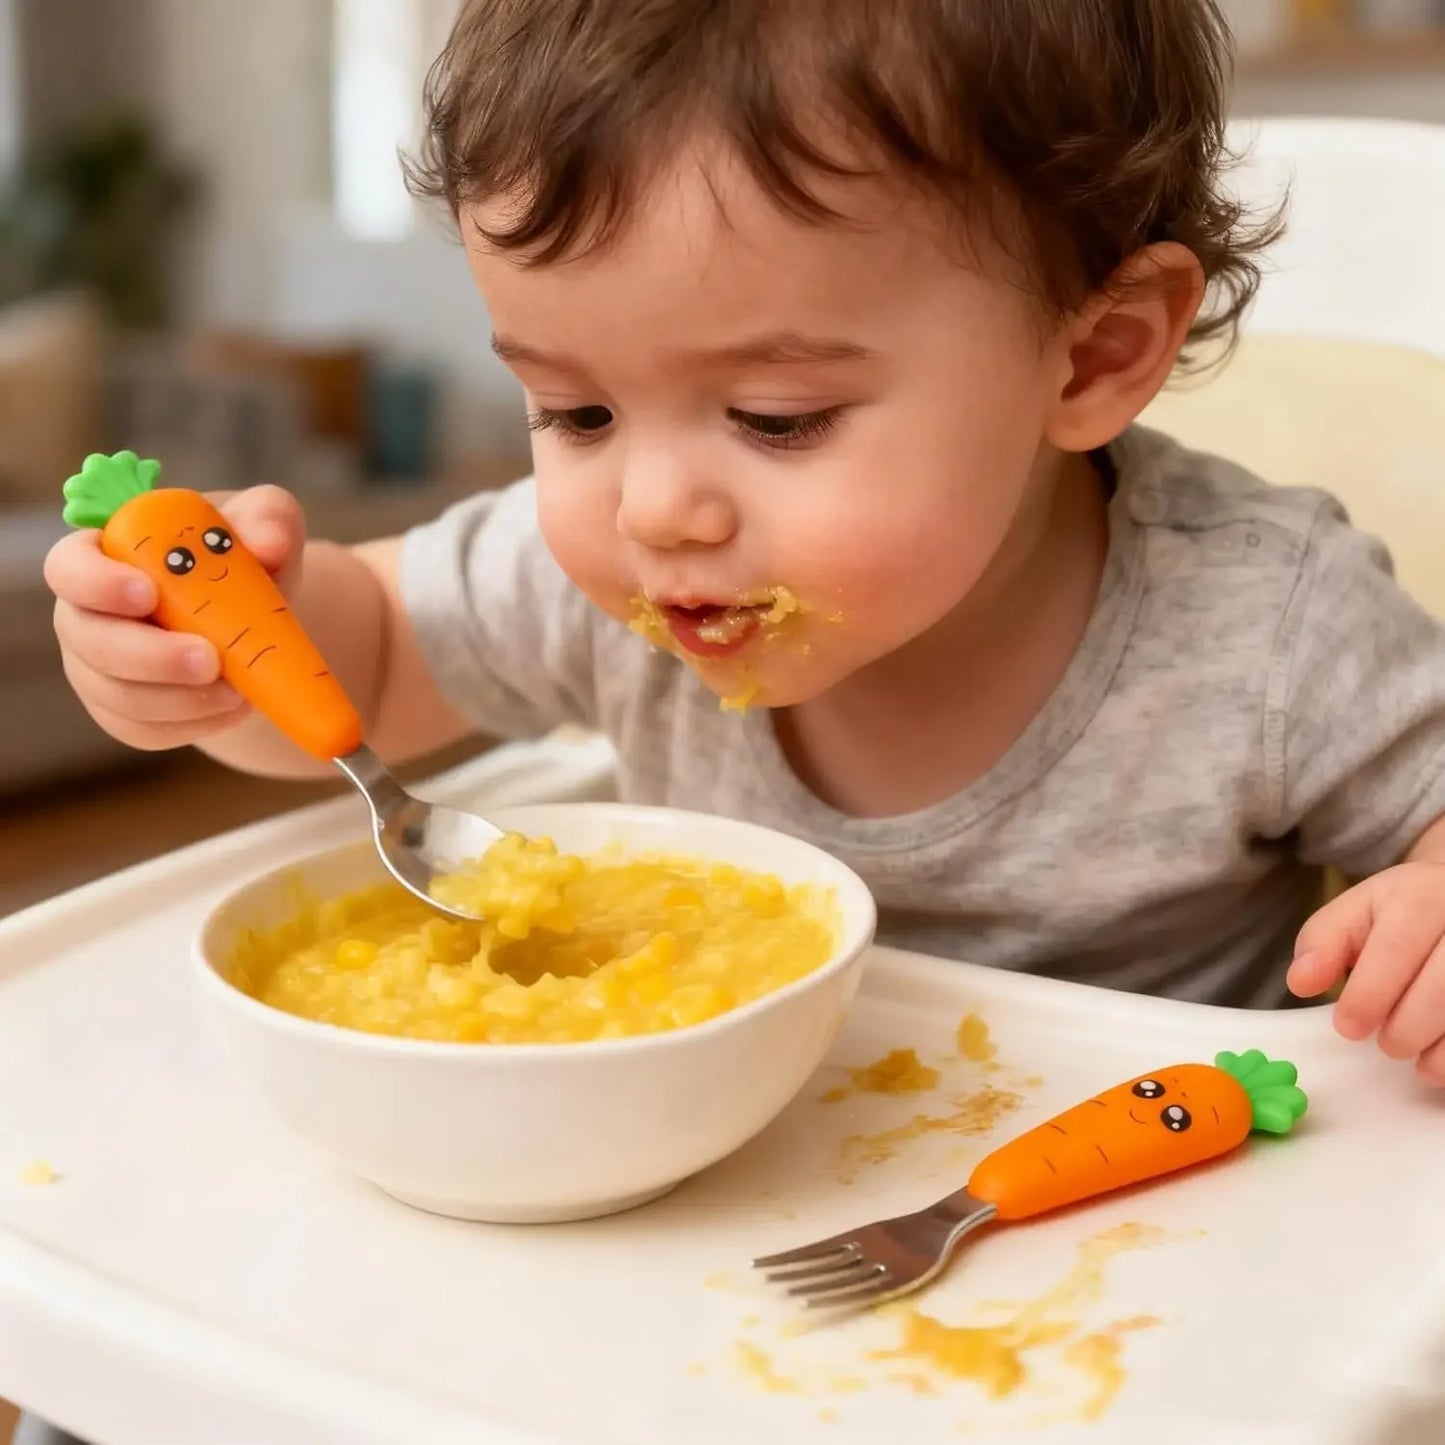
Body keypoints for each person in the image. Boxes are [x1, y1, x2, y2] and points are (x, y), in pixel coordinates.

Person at [44, 0, 1445, 1081]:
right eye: (574, 408)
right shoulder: (601, 582)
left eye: (775, 419)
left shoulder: (1266, 625)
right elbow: (371, 660)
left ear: (1094, 356)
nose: (653, 508)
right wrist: (233, 657)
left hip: (1135, 1237)